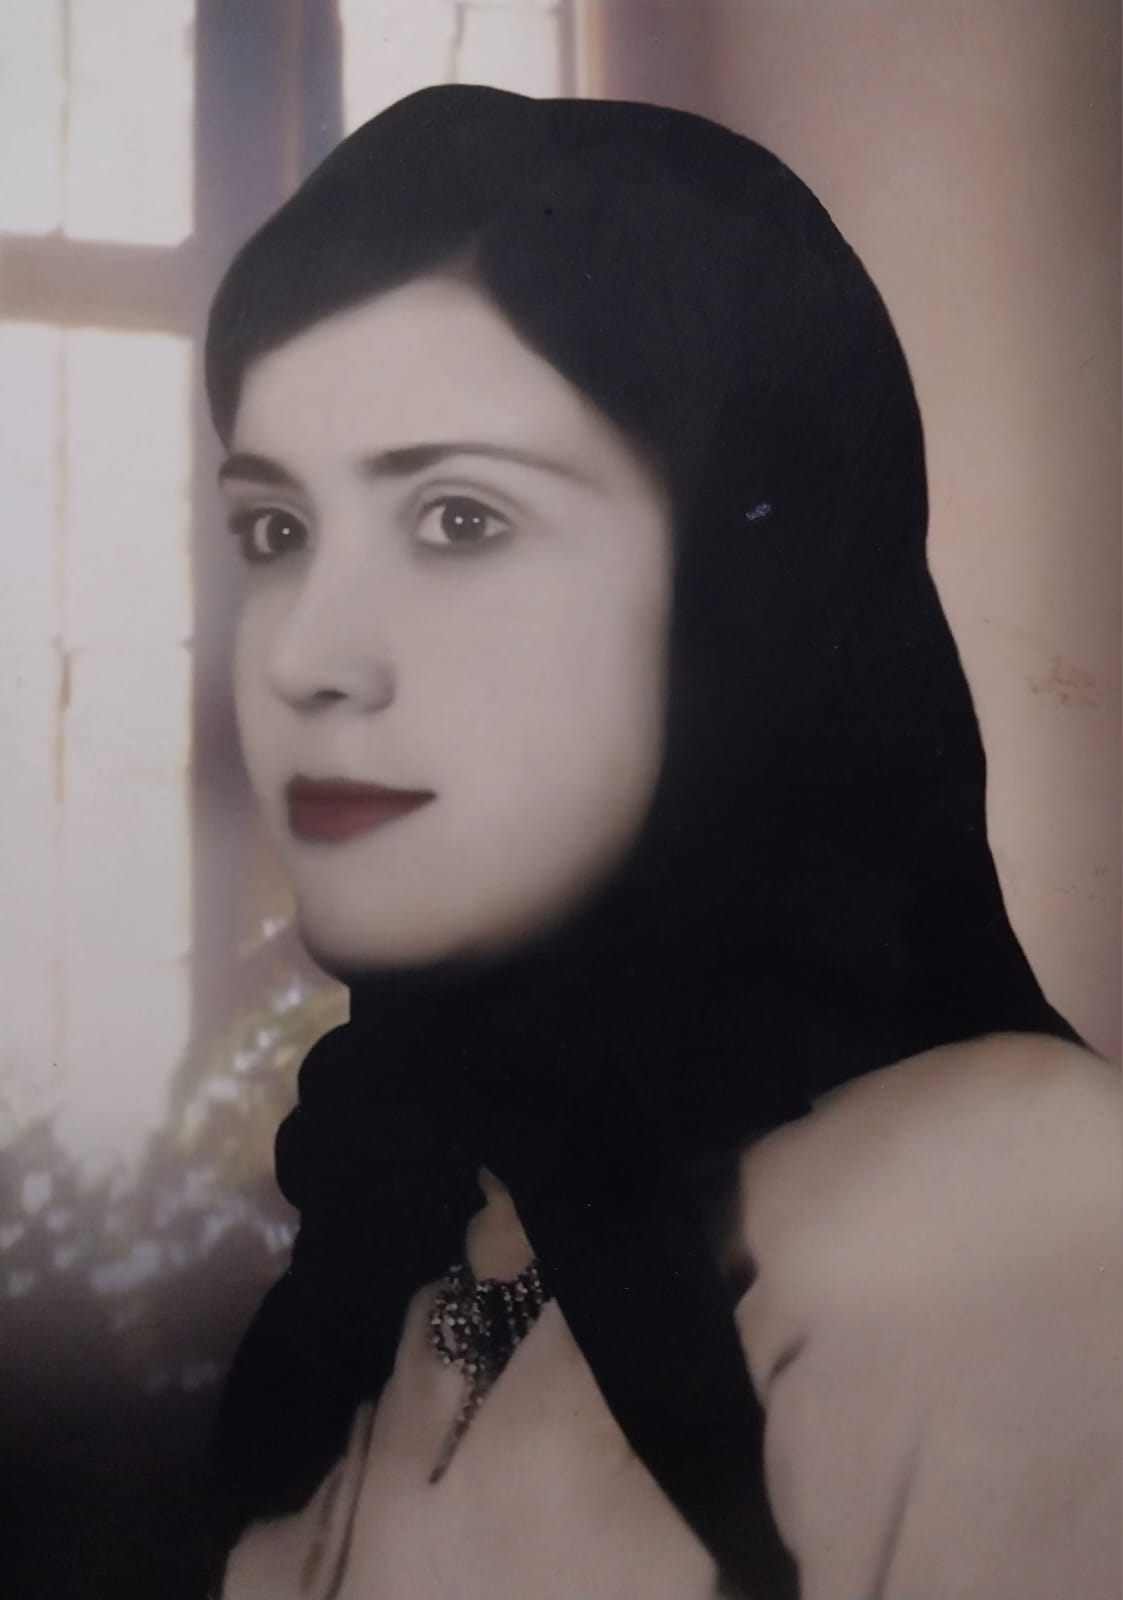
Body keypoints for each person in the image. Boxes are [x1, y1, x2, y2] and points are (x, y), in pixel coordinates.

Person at [202, 85, 1120, 1599]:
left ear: (739, 593)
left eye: (459, 521)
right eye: (276, 532)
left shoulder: (1034, 1218)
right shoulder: (413, 1235)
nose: (308, 657)